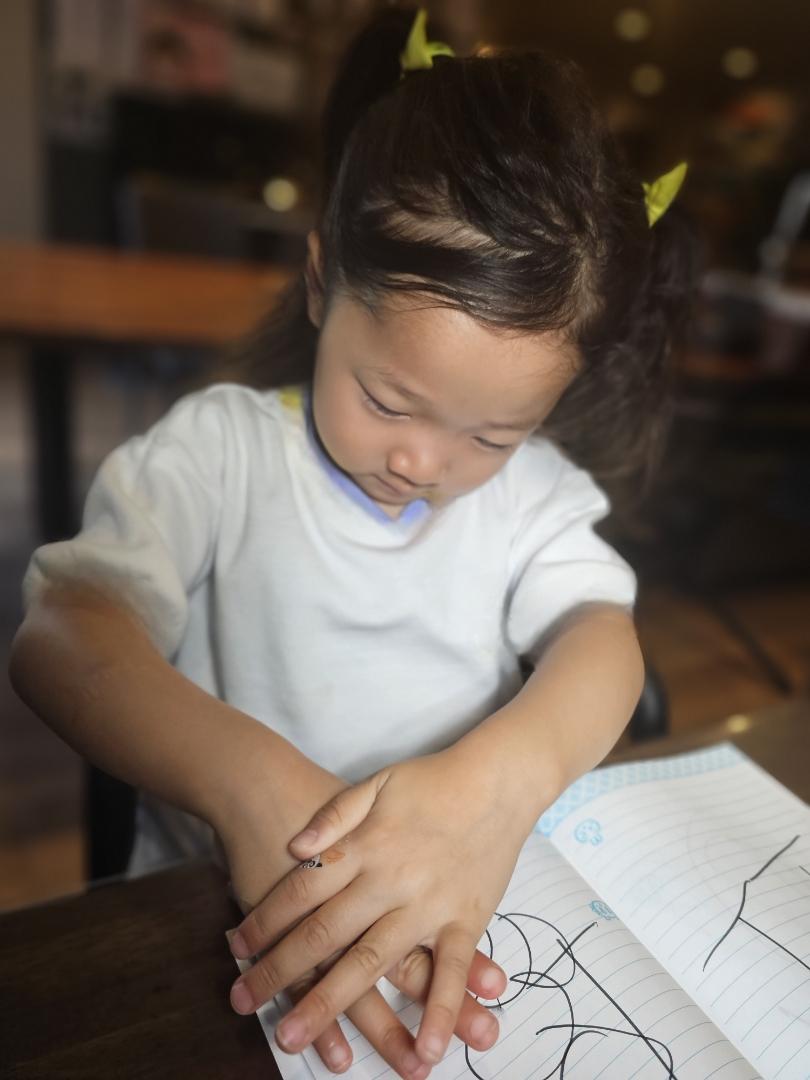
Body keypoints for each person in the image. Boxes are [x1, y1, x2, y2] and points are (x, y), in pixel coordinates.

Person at [9, 7, 694, 1078]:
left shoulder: (532, 497)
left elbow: (601, 638)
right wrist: (245, 783)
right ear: (323, 281)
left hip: (447, 891)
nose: (423, 462)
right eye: (388, 400)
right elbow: (62, 635)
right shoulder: (224, 454)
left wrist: (498, 785)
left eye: (491, 435)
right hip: (204, 918)